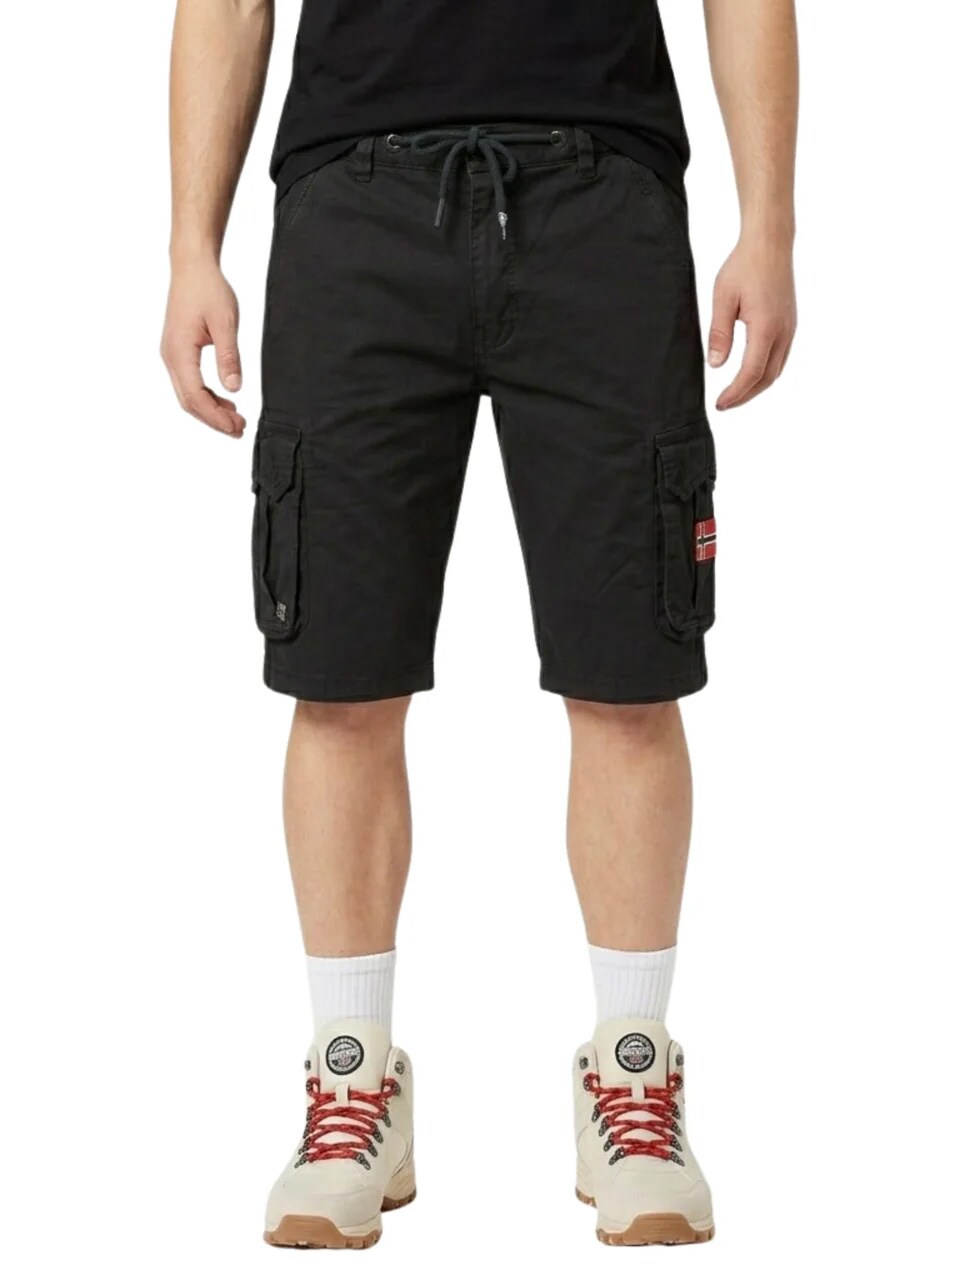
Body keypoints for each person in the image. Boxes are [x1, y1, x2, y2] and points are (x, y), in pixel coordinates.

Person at [161, 0, 798, 1250]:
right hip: (354, 202)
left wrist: (768, 223)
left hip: (601, 196)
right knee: (340, 676)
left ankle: (632, 1076)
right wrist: (192, 245)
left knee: (629, 668)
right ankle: (353, 1081)